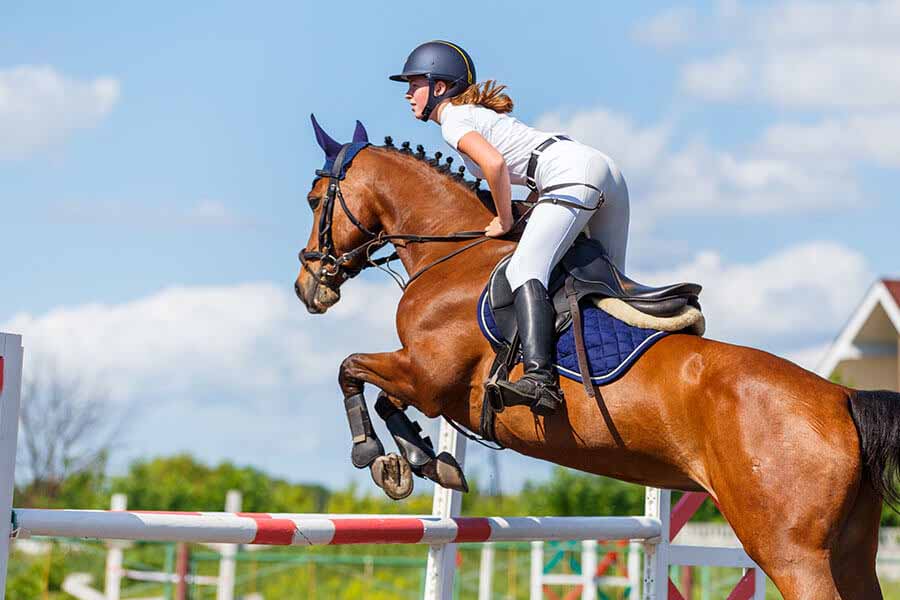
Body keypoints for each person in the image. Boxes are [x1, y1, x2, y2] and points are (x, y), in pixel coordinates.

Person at [390, 40, 630, 415]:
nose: (407, 94)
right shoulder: (472, 114)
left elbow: (496, 166)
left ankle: (540, 380)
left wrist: (503, 220)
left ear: (439, 87)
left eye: (414, 84)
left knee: (524, 269)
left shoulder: (453, 120)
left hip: (571, 174)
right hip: (603, 171)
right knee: (612, 287)